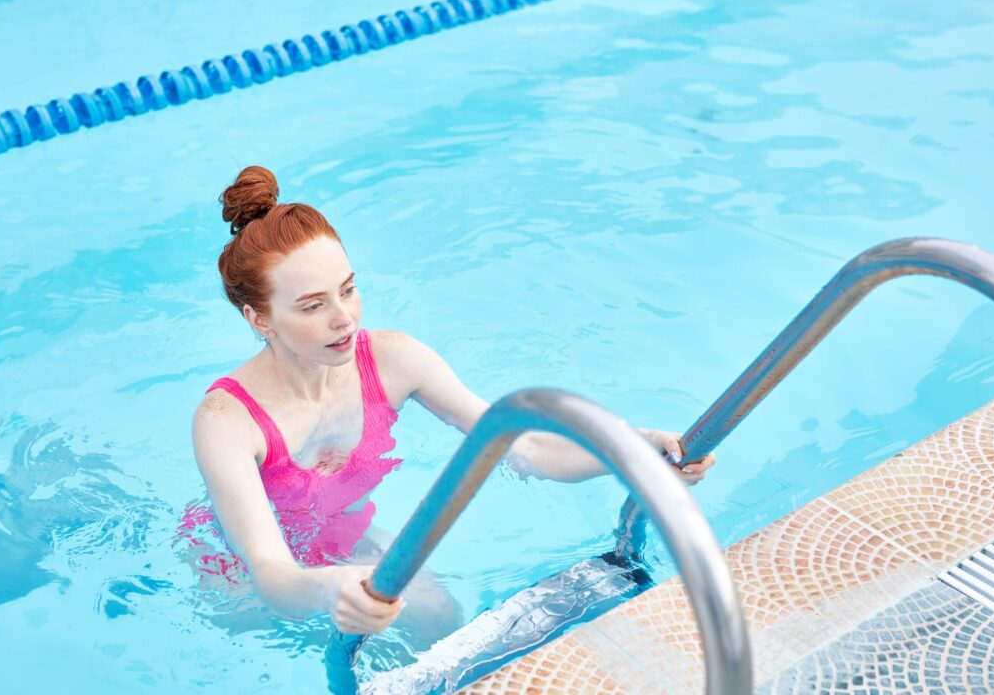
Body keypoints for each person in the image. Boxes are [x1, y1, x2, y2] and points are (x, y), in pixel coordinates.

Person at [186, 165, 717, 639]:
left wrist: (635, 449)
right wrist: (331, 590)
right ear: (258, 319)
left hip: (344, 534)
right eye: (312, 305)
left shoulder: (393, 360)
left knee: (440, 618)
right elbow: (270, 571)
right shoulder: (226, 422)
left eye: (347, 290)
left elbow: (527, 449)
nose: (344, 317)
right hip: (238, 577)